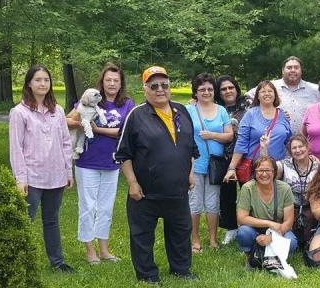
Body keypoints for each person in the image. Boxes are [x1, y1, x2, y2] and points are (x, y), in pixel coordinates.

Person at [114, 66, 199, 283]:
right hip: (145, 193)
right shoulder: (136, 115)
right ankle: (147, 275)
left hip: (177, 191)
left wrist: (189, 173)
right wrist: (132, 182)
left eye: (164, 84)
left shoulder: (182, 110)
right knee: (142, 236)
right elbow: (123, 154)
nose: (160, 89)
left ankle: (181, 269)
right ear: (145, 89)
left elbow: (190, 147)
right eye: (154, 85)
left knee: (180, 233)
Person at [66, 62, 134, 265]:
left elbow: (125, 132)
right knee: (88, 206)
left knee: (105, 208)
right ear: (102, 82)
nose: (112, 83)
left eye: (116, 80)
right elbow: (67, 120)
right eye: (108, 80)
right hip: (87, 161)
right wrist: (82, 122)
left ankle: (104, 249)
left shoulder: (127, 104)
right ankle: (89, 249)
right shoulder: (91, 100)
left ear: (121, 83)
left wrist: (97, 130)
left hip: (112, 162)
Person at [9, 64, 75, 273]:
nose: (43, 84)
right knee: (24, 220)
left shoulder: (58, 111)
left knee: (51, 220)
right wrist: (21, 179)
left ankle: (57, 262)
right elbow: (16, 148)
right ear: (29, 83)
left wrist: (68, 171)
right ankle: (16, 262)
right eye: (38, 79)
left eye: (46, 80)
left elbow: (66, 142)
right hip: (32, 177)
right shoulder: (19, 112)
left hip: (56, 175)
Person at [186, 73, 233, 253]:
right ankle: (195, 239)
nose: (206, 92)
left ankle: (213, 239)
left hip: (215, 164)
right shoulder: (188, 110)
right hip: (195, 163)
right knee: (195, 202)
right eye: (202, 89)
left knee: (213, 203)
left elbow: (229, 135)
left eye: (210, 89)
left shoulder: (221, 110)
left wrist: (211, 135)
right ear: (195, 92)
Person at [236, 156, 298, 267]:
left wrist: (272, 237)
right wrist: (269, 223)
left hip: (278, 230)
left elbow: (288, 221)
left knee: (292, 242)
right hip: (254, 229)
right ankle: (250, 256)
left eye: (268, 170)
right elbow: (241, 218)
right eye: (260, 170)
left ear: (274, 172)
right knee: (243, 233)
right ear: (254, 172)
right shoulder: (247, 188)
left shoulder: (284, 189)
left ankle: (271, 257)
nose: (264, 174)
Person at [224, 81, 292, 182]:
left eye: (270, 91)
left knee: (277, 197)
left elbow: (288, 141)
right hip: (255, 169)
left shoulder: (283, 115)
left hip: (278, 170)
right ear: (258, 96)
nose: (267, 93)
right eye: (263, 91)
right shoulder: (250, 115)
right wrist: (232, 168)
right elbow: (241, 143)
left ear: (275, 95)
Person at [245, 56, 320, 134]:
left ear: (301, 71)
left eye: (296, 67)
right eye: (289, 67)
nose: (293, 70)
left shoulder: (315, 90)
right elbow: (247, 99)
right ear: (282, 71)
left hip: (305, 142)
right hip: (276, 140)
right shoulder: (270, 86)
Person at [214, 75, 248, 245]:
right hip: (223, 157)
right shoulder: (215, 109)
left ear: (236, 88)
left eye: (230, 87)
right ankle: (231, 227)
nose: (228, 91)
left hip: (245, 157)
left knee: (248, 192)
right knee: (226, 195)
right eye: (223, 89)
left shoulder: (247, 105)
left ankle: (249, 225)